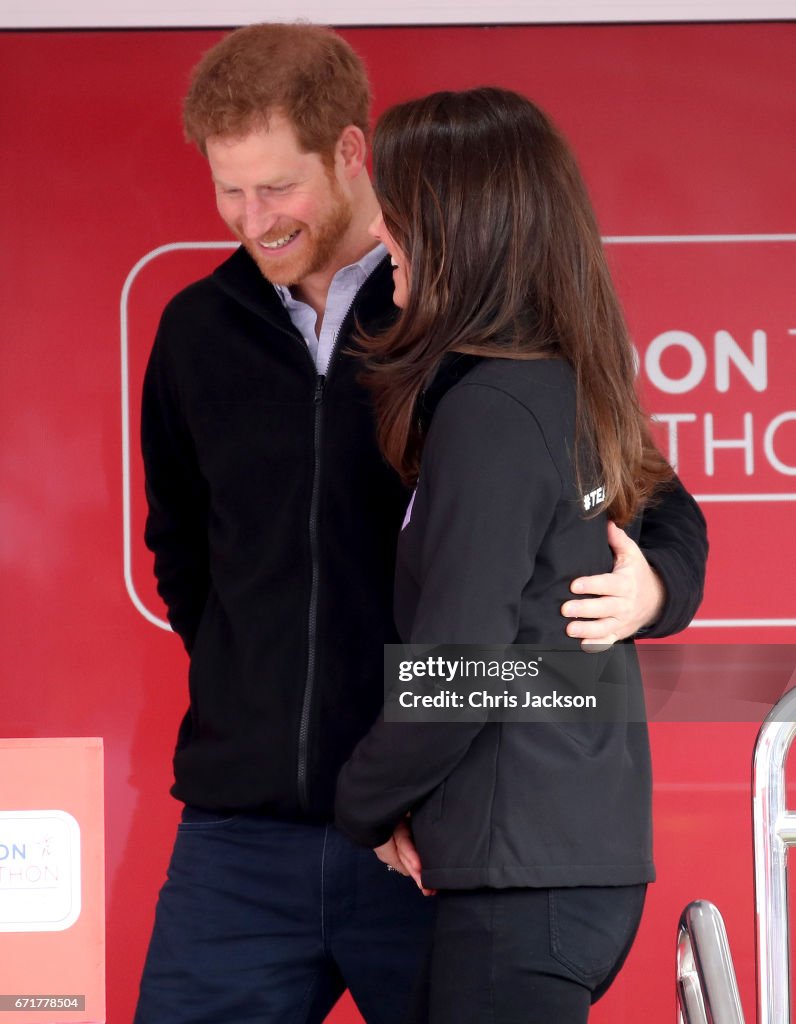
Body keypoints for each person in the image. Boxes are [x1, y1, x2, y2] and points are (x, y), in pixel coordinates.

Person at [136, 23, 707, 1024]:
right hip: (242, 834)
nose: (250, 218)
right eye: (228, 189)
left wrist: (654, 584)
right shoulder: (193, 332)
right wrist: (251, 681)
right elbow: (183, 550)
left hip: (426, 828)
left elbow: (649, 499)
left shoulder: (458, 323)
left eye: (276, 188)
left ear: (353, 155)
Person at [334, 87, 689, 1023]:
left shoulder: (493, 411)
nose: (379, 230)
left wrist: (361, 804)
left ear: (464, 230)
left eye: (397, 208)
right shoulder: (564, 386)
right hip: (561, 873)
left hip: (524, 883)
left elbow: (459, 668)